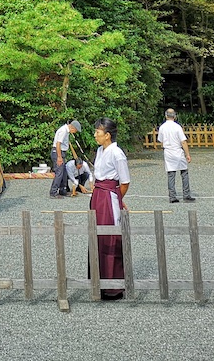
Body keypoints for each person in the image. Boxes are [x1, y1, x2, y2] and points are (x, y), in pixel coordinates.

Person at [89, 117, 130, 300]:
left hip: (109, 196)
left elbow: (125, 182)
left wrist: (117, 198)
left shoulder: (117, 153)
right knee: (96, 235)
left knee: (110, 236)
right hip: (98, 195)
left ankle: (113, 286)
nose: (95, 135)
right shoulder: (99, 150)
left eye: (98, 132)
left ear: (107, 135)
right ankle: (98, 281)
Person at [157, 108, 194, 203]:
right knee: (184, 173)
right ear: (175, 116)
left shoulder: (162, 127)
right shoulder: (177, 127)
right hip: (178, 151)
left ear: (166, 116)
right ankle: (186, 194)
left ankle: (172, 196)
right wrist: (187, 154)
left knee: (171, 174)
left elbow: (160, 141)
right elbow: (183, 141)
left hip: (168, 152)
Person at [49, 120, 82, 199]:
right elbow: (58, 144)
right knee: (59, 173)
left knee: (64, 172)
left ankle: (63, 191)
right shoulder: (63, 131)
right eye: (75, 130)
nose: (74, 132)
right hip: (58, 152)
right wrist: (59, 157)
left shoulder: (66, 131)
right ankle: (53, 192)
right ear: (73, 128)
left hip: (61, 152)